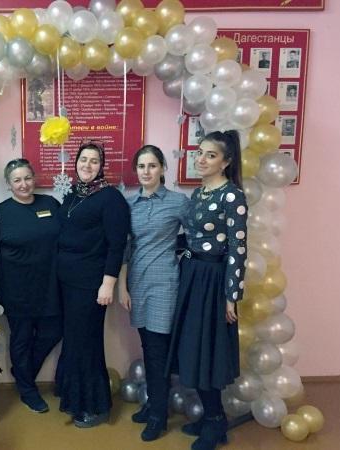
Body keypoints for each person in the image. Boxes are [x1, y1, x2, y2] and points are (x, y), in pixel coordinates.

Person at [167, 130, 248, 450]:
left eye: (210, 155)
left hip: (213, 280)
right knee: (192, 348)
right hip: (192, 274)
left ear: (226, 162)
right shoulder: (199, 193)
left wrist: (231, 296)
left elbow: (238, 248)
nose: (201, 159)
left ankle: (216, 422)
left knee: (208, 350)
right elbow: (193, 237)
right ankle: (212, 416)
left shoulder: (232, 196)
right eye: (199, 152)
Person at [55, 141, 130, 428]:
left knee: (87, 344)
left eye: (94, 161)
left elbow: (117, 245)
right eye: (83, 159)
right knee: (74, 342)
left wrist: (108, 284)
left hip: (91, 285)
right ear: (76, 162)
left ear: (102, 166)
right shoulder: (73, 194)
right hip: (67, 282)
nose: (87, 165)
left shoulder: (111, 198)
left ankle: (96, 406)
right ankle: (75, 398)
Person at [117, 146, 189, 441]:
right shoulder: (128, 204)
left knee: (159, 350)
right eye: (141, 166)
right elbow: (125, 248)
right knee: (148, 346)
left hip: (165, 284)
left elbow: (198, 237)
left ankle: (159, 414)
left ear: (162, 168)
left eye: (152, 165)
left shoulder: (178, 202)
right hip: (137, 283)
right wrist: (122, 286)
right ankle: (153, 403)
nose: (146, 171)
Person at [0, 158, 62, 414]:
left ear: (34, 178)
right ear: (8, 184)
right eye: (17, 180)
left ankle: (24, 372)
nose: (23, 184)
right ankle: (27, 389)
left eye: (27, 178)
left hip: (50, 285)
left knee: (53, 332)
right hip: (16, 289)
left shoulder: (50, 204)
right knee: (21, 339)